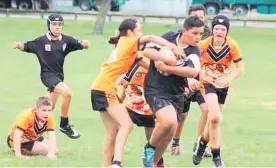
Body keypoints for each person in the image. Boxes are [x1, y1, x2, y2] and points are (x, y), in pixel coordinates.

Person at [90, 18, 184, 168]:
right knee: (127, 125)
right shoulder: (127, 41)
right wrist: (172, 46)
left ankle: (106, 165)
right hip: (105, 88)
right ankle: (116, 163)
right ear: (129, 32)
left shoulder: (127, 48)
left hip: (99, 87)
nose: (141, 33)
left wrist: (168, 73)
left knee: (113, 132)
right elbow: (152, 38)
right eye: (139, 30)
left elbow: (147, 65)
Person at [12, 14, 90, 139]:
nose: (57, 27)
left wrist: (85, 44)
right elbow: (27, 46)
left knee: (47, 107)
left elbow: (80, 43)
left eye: (60, 25)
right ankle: (64, 125)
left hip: (59, 77)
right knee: (68, 93)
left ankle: (31, 136)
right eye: (54, 24)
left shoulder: (66, 40)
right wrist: (18, 45)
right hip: (48, 77)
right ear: (49, 25)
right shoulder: (41, 41)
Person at [141, 16, 204, 168]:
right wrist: (165, 57)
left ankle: (151, 164)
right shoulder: (168, 37)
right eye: (195, 33)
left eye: (201, 34)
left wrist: (168, 67)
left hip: (176, 94)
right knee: (168, 121)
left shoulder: (194, 50)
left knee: (170, 131)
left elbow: (192, 71)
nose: (198, 37)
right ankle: (148, 148)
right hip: (155, 88)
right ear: (184, 30)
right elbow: (147, 51)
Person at [192, 15, 244, 168]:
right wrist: (194, 78)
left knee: (214, 120)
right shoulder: (203, 45)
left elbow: (241, 68)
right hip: (206, 83)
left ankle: (202, 144)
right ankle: (217, 158)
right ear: (212, 30)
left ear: (227, 31)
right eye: (217, 29)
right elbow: (194, 64)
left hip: (222, 85)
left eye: (223, 29)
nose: (220, 32)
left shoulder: (232, 45)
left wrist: (228, 78)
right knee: (215, 117)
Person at [171, 4, 212, 157]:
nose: (198, 19)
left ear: (205, 19)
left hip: (202, 80)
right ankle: (175, 142)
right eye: (194, 17)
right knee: (182, 115)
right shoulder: (182, 36)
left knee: (208, 109)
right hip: (185, 80)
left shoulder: (209, 36)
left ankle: (199, 144)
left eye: (201, 17)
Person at [118, 56, 165, 167]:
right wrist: (120, 100)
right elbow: (125, 86)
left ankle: (159, 163)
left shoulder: (154, 66)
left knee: (153, 140)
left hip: (149, 110)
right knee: (120, 132)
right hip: (129, 106)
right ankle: (114, 161)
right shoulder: (128, 65)